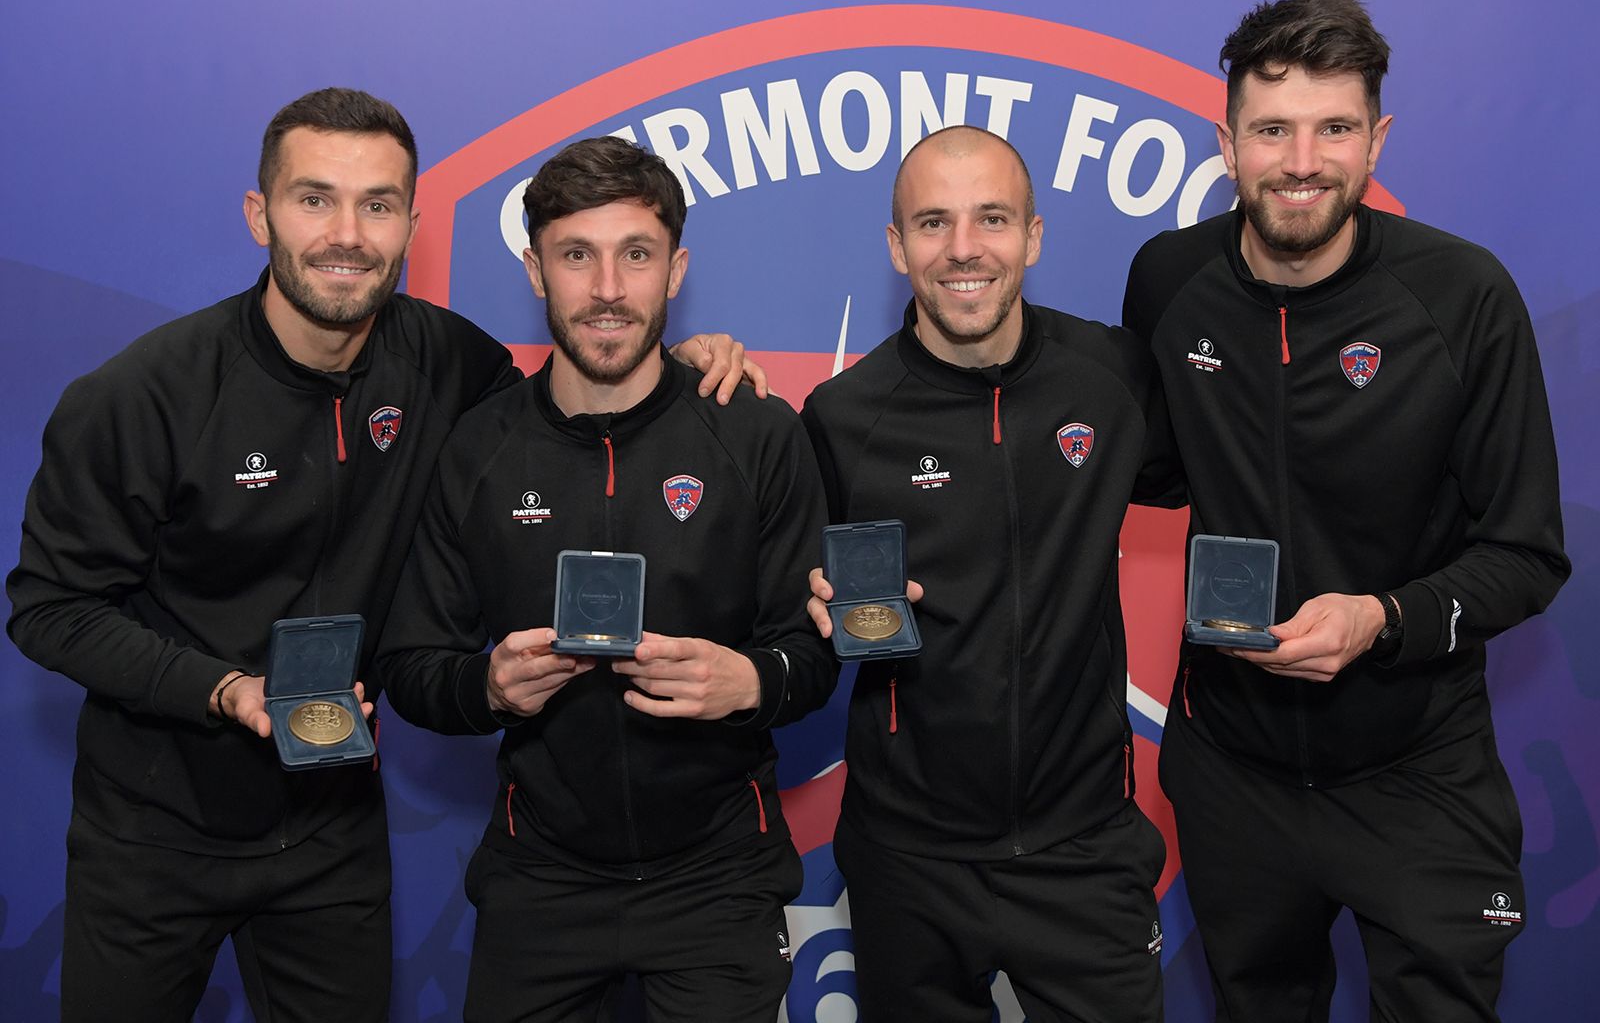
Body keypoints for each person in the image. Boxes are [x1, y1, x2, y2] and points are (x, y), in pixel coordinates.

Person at [5, 88, 758, 1022]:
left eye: (378, 204)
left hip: (331, 831)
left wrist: (688, 365)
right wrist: (219, 687)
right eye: (315, 199)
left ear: (410, 222)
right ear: (260, 215)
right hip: (152, 835)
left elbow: (581, 386)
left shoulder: (446, 364)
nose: (347, 235)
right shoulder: (140, 396)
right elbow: (50, 608)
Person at [1122, 0, 1570, 1022]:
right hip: (1232, 767)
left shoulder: (1462, 297)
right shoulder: (1168, 280)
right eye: (1271, 129)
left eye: (1334, 128)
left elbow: (1526, 555)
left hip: (1416, 768)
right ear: (1225, 142)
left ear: (1377, 140)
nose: (1301, 161)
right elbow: (1135, 458)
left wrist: (1382, 619)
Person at [377, 135, 836, 1023]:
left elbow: (812, 658)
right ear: (534, 269)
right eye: (576, 256)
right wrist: (489, 688)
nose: (609, 289)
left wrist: (749, 680)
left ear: (677, 269)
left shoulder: (755, 433)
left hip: (718, 878)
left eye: (637, 254)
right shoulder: (478, 448)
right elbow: (410, 665)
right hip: (540, 878)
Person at [801, 125, 1177, 1021]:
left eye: (992, 219)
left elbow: (1256, 461)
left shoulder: (1114, 377)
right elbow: (781, 598)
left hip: (1084, 846)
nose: (964, 249)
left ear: (1034, 236)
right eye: (933, 223)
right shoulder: (840, 416)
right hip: (908, 858)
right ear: (898, 248)